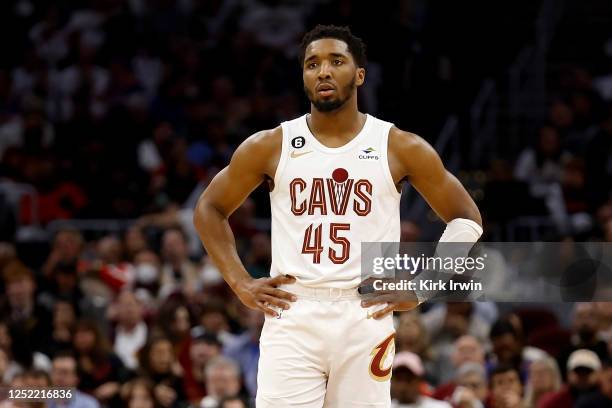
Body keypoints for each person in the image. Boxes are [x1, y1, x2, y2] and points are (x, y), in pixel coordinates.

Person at [193, 24, 482, 407]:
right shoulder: (271, 145)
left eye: (336, 61)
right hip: (293, 311)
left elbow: (466, 219)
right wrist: (240, 282)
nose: (323, 71)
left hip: (364, 312)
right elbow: (208, 209)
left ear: (359, 74)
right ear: (303, 77)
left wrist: (423, 286)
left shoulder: (398, 145)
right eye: (312, 64)